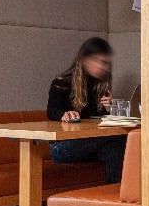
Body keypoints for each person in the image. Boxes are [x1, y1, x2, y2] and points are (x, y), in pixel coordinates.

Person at [46, 37, 128, 184]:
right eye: (97, 61)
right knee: (121, 137)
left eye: (105, 63)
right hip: (63, 147)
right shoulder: (61, 83)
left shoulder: (100, 86)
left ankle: (114, 197)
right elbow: (51, 111)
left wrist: (109, 109)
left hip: (91, 144)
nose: (101, 66)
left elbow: (97, 121)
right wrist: (64, 115)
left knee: (114, 151)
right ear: (84, 60)